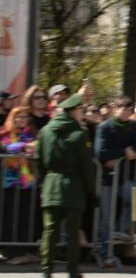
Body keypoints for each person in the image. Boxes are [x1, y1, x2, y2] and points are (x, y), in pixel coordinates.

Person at [34, 93, 96, 278]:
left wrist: (44, 179)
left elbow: (38, 160)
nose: (82, 113)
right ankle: (72, 269)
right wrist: (91, 191)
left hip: (51, 183)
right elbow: (86, 165)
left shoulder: (45, 131)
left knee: (50, 230)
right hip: (73, 186)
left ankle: (46, 269)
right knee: (73, 230)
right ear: (74, 111)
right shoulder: (79, 134)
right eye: (81, 110)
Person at [93, 96, 136, 268]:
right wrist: (125, 152)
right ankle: (105, 252)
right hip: (107, 178)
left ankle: (119, 229)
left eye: (129, 109)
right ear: (115, 108)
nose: (126, 112)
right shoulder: (104, 127)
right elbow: (101, 153)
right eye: (123, 108)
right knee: (105, 217)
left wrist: (124, 153)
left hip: (124, 176)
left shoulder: (132, 127)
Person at [1, 106, 40, 264]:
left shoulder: (32, 134)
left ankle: (23, 250)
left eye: (24, 117)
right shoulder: (4, 133)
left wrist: (33, 146)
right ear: (12, 118)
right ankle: (10, 252)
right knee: (9, 217)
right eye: (18, 116)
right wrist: (22, 147)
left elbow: (38, 146)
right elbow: (4, 147)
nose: (21, 120)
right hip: (9, 183)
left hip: (27, 183)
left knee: (25, 218)